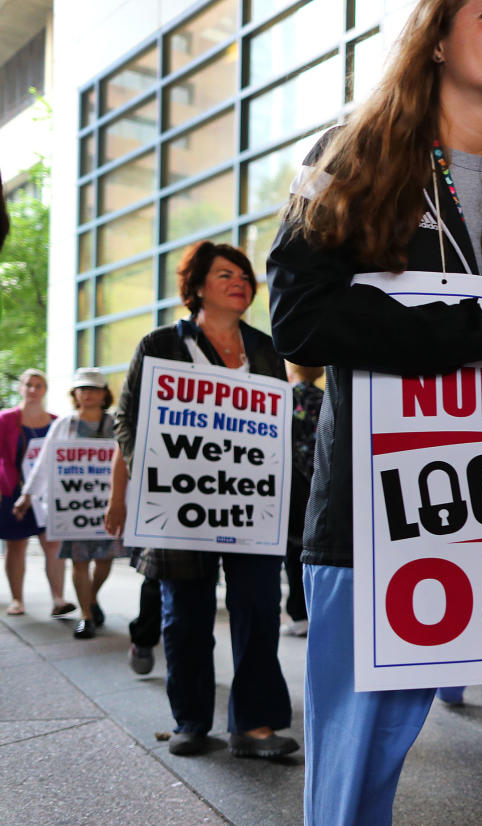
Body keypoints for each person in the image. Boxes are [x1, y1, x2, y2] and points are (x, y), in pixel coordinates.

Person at [266, 2, 482, 823]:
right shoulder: (348, 157)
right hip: (378, 536)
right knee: (349, 791)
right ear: (433, 39)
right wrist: (470, 333)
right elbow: (299, 320)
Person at [104, 241, 297, 760]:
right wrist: (150, 464)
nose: (240, 282)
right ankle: (190, 720)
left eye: (244, 276)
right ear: (197, 287)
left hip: (250, 508)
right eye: (225, 274)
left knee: (257, 609)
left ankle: (255, 725)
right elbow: (127, 419)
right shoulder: (160, 344)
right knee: (185, 617)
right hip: (181, 507)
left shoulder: (265, 350)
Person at [13, 369, 126, 639]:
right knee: (78, 561)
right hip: (75, 508)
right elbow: (44, 462)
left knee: (104, 558)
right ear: (75, 394)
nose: (87, 394)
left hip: (106, 506)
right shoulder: (65, 424)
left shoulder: (116, 424)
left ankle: (91, 598)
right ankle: (85, 615)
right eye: (82, 389)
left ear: (104, 394)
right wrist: (27, 495)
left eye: (93, 389)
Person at [1, 368, 73, 618]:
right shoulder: (6, 420)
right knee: (16, 545)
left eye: (38, 385)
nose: (33, 389)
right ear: (21, 388)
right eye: (28, 384)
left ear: (45, 390)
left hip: (48, 496)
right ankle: (17, 599)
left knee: (53, 544)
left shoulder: (57, 422)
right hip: (13, 493)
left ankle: (59, 599)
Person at [281, 361, 323, 638]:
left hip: (291, 485)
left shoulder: (285, 398)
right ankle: (315, 611)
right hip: (320, 484)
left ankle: (299, 613)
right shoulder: (326, 398)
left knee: (293, 550)